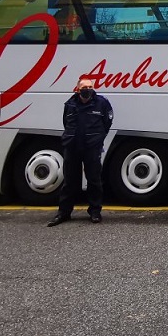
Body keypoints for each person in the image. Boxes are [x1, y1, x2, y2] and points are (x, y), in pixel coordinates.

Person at [47, 77, 114, 226]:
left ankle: (95, 212)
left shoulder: (102, 103)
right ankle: (64, 212)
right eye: (84, 87)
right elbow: (66, 123)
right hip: (72, 147)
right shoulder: (70, 104)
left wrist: (98, 137)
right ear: (77, 89)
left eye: (90, 86)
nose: (87, 89)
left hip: (92, 147)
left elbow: (107, 122)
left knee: (94, 180)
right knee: (70, 181)